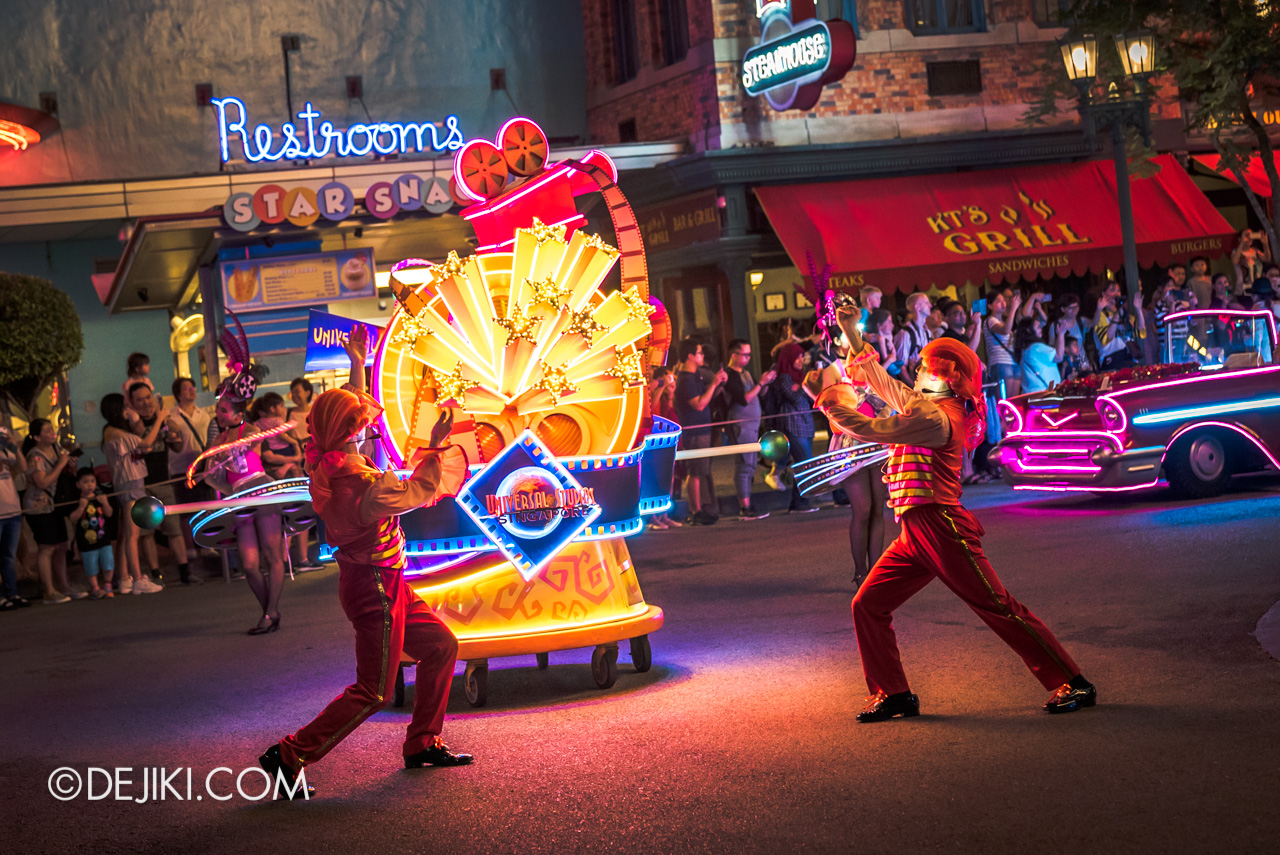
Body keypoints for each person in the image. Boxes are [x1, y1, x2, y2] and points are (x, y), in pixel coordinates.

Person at [816, 309, 1097, 721]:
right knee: (868, 604)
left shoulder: (935, 416)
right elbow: (880, 380)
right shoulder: (925, 405)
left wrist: (834, 408)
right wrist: (848, 332)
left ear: (943, 377)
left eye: (924, 368)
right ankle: (893, 693)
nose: (915, 373)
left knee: (997, 606)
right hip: (915, 530)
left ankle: (1073, 681)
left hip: (940, 525)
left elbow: (876, 429)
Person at [259, 324, 473, 799]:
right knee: (373, 689)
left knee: (440, 647)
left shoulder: (328, 460)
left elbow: (342, 413)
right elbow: (418, 491)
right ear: (352, 432)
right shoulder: (365, 487)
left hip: (380, 580)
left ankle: (421, 744)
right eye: (362, 423)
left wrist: (359, 363)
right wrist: (434, 446)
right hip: (375, 588)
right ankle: (290, 754)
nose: (370, 425)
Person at [126, 382, 195, 585]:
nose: (146, 403)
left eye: (148, 398)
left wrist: (171, 427)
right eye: (140, 399)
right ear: (132, 403)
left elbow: (178, 446)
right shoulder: (131, 423)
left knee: (174, 529)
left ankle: (185, 572)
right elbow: (143, 443)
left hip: (164, 480)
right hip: (140, 484)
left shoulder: (164, 420)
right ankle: (156, 575)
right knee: (146, 533)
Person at [100, 394, 164, 595]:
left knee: (128, 532)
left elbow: (141, 443)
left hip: (131, 482)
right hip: (129, 483)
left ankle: (126, 577)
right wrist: (160, 419)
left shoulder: (114, 432)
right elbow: (145, 444)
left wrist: (135, 421)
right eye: (125, 406)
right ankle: (137, 579)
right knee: (132, 534)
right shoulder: (114, 433)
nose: (129, 408)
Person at [23, 419, 79, 604]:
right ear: (37, 436)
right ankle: (49, 590)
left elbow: (66, 475)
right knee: (46, 548)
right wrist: (61, 464)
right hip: (38, 507)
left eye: (51, 428)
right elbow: (42, 482)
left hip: (55, 504)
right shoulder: (35, 456)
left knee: (62, 545)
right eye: (47, 430)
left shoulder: (56, 450)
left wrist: (71, 464)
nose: (52, 432)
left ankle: (64, 587)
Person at [673, 340, 726, 525]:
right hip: (694, 429)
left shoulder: (695, 376)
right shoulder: (686, 379)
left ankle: (699, 508)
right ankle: (695, 510)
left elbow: (706, 398)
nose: (702, 356)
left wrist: (717, 385)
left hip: (702, 427)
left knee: (700, 470)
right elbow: (699, 404)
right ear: (690, 356)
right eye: (699, 353)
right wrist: (714, 384)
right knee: (695, 470)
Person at [723, 339, 776, 521]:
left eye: (749, 354)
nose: (748, 358)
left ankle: (747, 503)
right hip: (740, 425)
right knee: (744, 465)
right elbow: (744, 399)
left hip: (752, 425)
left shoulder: (745, 373)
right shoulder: (730, 375)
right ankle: (744, 507)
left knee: (751, 464)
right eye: (745, 354)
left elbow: (757, 393)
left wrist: (765, 382)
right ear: (734, 355)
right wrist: (760, 383)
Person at [167, 376, 213, 563]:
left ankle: (207, 544)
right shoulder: (172, 416)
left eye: (193, 387)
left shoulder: (204, 414)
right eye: (187, 388)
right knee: (186, 511)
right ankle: (190, 547)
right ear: (178, 394)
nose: (192, 390)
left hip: (202, 468)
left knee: (205, 507)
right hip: (180, 468)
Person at [769, 342, 817, 514]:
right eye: (797, 357)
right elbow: (794, 398)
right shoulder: (784, 377)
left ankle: (799, 503)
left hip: (805, 423)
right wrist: (804, 385)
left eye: (801, 357)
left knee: (803, 463)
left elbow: (811, 398)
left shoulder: (799, 376)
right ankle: (800, 502)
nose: (800, 360)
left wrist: (804, 385)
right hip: (792, 423)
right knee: (806, 463)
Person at [68, 467, 115, 600]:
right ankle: (95, 588)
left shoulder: (100, 497)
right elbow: (72, 518)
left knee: (108, 562)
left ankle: (107, 585)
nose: (90, 485)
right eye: (85, 482)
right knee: (90, 565)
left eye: (92, 481)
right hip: (86, 541)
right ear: (78, 484)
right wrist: (81, 507)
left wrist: (105, 503)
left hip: (103, 538)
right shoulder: (76, 500)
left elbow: (109, 513)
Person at [645, 368, 681, 531]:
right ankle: (652, 517)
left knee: (667, 477)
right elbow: (650, 408)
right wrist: (661, 387)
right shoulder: (649, 388)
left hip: (663, 438)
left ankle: (664, 515)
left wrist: (670, 392)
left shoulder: (663, 393)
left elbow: (669, 413)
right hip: (652, 437)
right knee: (653, 478)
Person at [0, 427, 31, 610]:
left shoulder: (5, 449)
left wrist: (14, 446)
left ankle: (12, 593)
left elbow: (22, 468)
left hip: (12, 510)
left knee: (9, 556)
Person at [1094, 282, 1146, 370]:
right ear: (1103, 294)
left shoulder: (1124, 313)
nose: (1116, 294)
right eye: (1112, 290)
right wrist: (1116, 316)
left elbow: (1141, 332)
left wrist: (1138, 309)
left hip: (1129, 359)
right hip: (1111, 361)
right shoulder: (1102, 315)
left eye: (1118, 291)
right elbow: (1107, 337)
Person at [982, 288, 1021, 398]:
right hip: (1000, 362)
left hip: (1013, 362)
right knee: (1004, 403)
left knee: (1014, 402)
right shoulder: (990, 320)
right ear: (990, 306)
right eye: (998, 301)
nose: (1003, 303)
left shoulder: (1003, 321)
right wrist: (1013, 309)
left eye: (1004, 300)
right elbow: (1004, 330)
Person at [1014, 317, 1065, 395]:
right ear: (1029, 330)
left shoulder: (1025, 349)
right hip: (1043, 394)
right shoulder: (1036, 348)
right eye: (1038, 327)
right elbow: (1059, 356)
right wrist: (1061, 334)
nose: (1041, 329)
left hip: (1032, 394)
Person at [287, 377, 314, 445]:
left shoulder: (315, 412)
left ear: (307, 393)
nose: (294, 395)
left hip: (313, 452)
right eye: (292, 392)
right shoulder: (288, 413)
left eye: (297, 392)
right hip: (297, 452)